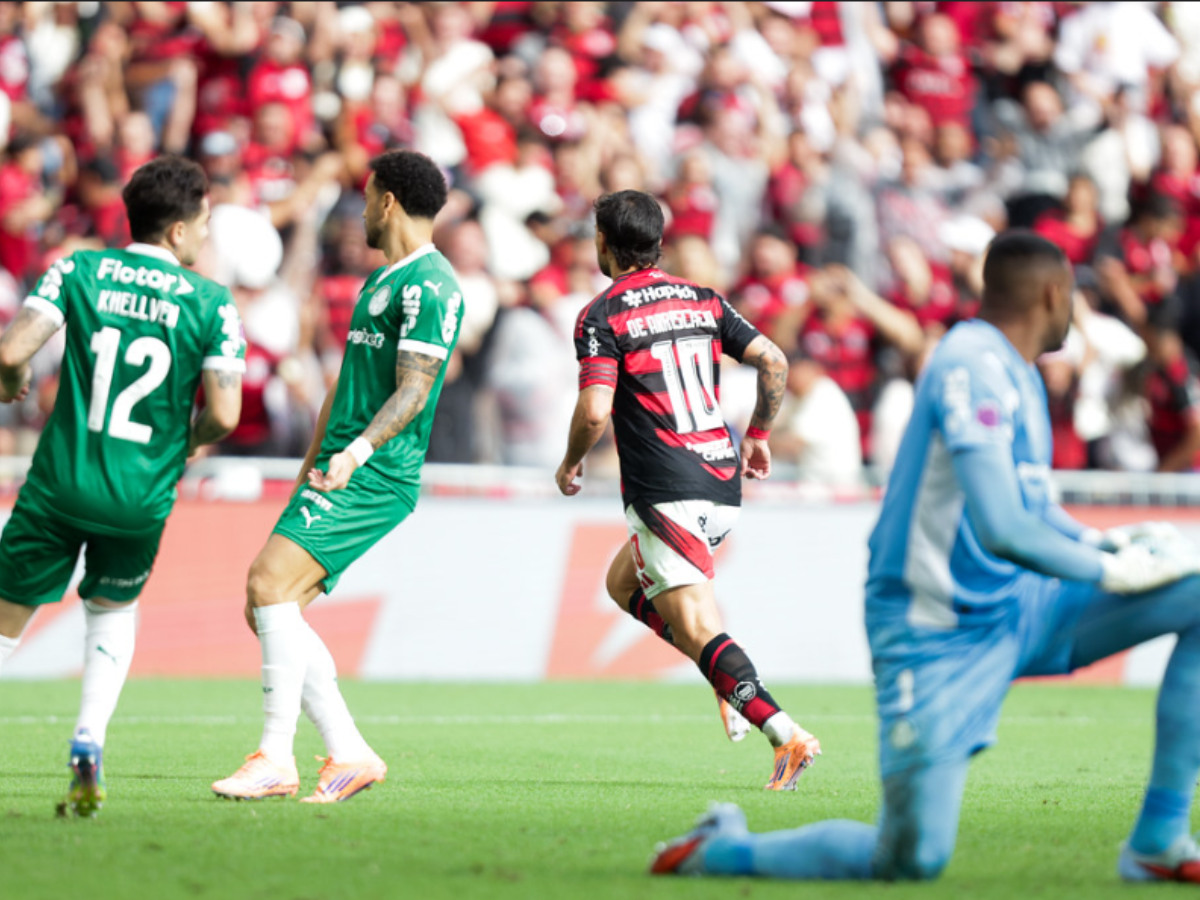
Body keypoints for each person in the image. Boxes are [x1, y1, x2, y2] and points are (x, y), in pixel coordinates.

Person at [651, 231, 1200, 882]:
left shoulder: (1019, 373)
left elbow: (1032, 509)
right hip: (934, 630)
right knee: (911, 857)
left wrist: (1103, 542)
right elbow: (1003, 528)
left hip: (1023, 605)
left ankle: (1159, 840)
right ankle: (720, 848)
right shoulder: (970, 363)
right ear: (1055, 295)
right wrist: (1109, 570)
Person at [212, 149, 464, 804]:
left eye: (368, 197)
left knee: (268, 583)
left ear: (388, 201)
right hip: (338, 465)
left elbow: (414, 390)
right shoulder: (381, 280)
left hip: (377, 472)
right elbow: (346, 383)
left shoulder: (432, 285)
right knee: (268, 608)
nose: (362, 211)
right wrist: (315, 459)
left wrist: (356, 453)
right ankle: (349, 753)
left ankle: (276, 757)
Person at [0, 155, 245, 816]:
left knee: (4, 622)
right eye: (204, 222)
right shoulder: (212, 302)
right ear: (178, 230)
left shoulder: (78, 269)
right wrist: (185, 444)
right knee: (111, 613)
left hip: (59, 484)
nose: (205, 234)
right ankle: (89, 736)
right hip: (140, 495)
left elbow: (10, 352)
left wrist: (9, 382)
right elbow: (225, 414)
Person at [555, 190, 820, 790]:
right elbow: (774, 362)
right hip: (721, 481)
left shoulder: (603, 314)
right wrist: (758, 435)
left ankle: (785, 734)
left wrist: (570, 462)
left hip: (666, 486)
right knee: (622, 584)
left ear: (603, 242)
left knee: (699, 628)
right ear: (657, 242)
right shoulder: (703, 299)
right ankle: (727, 678)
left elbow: (595, 410)